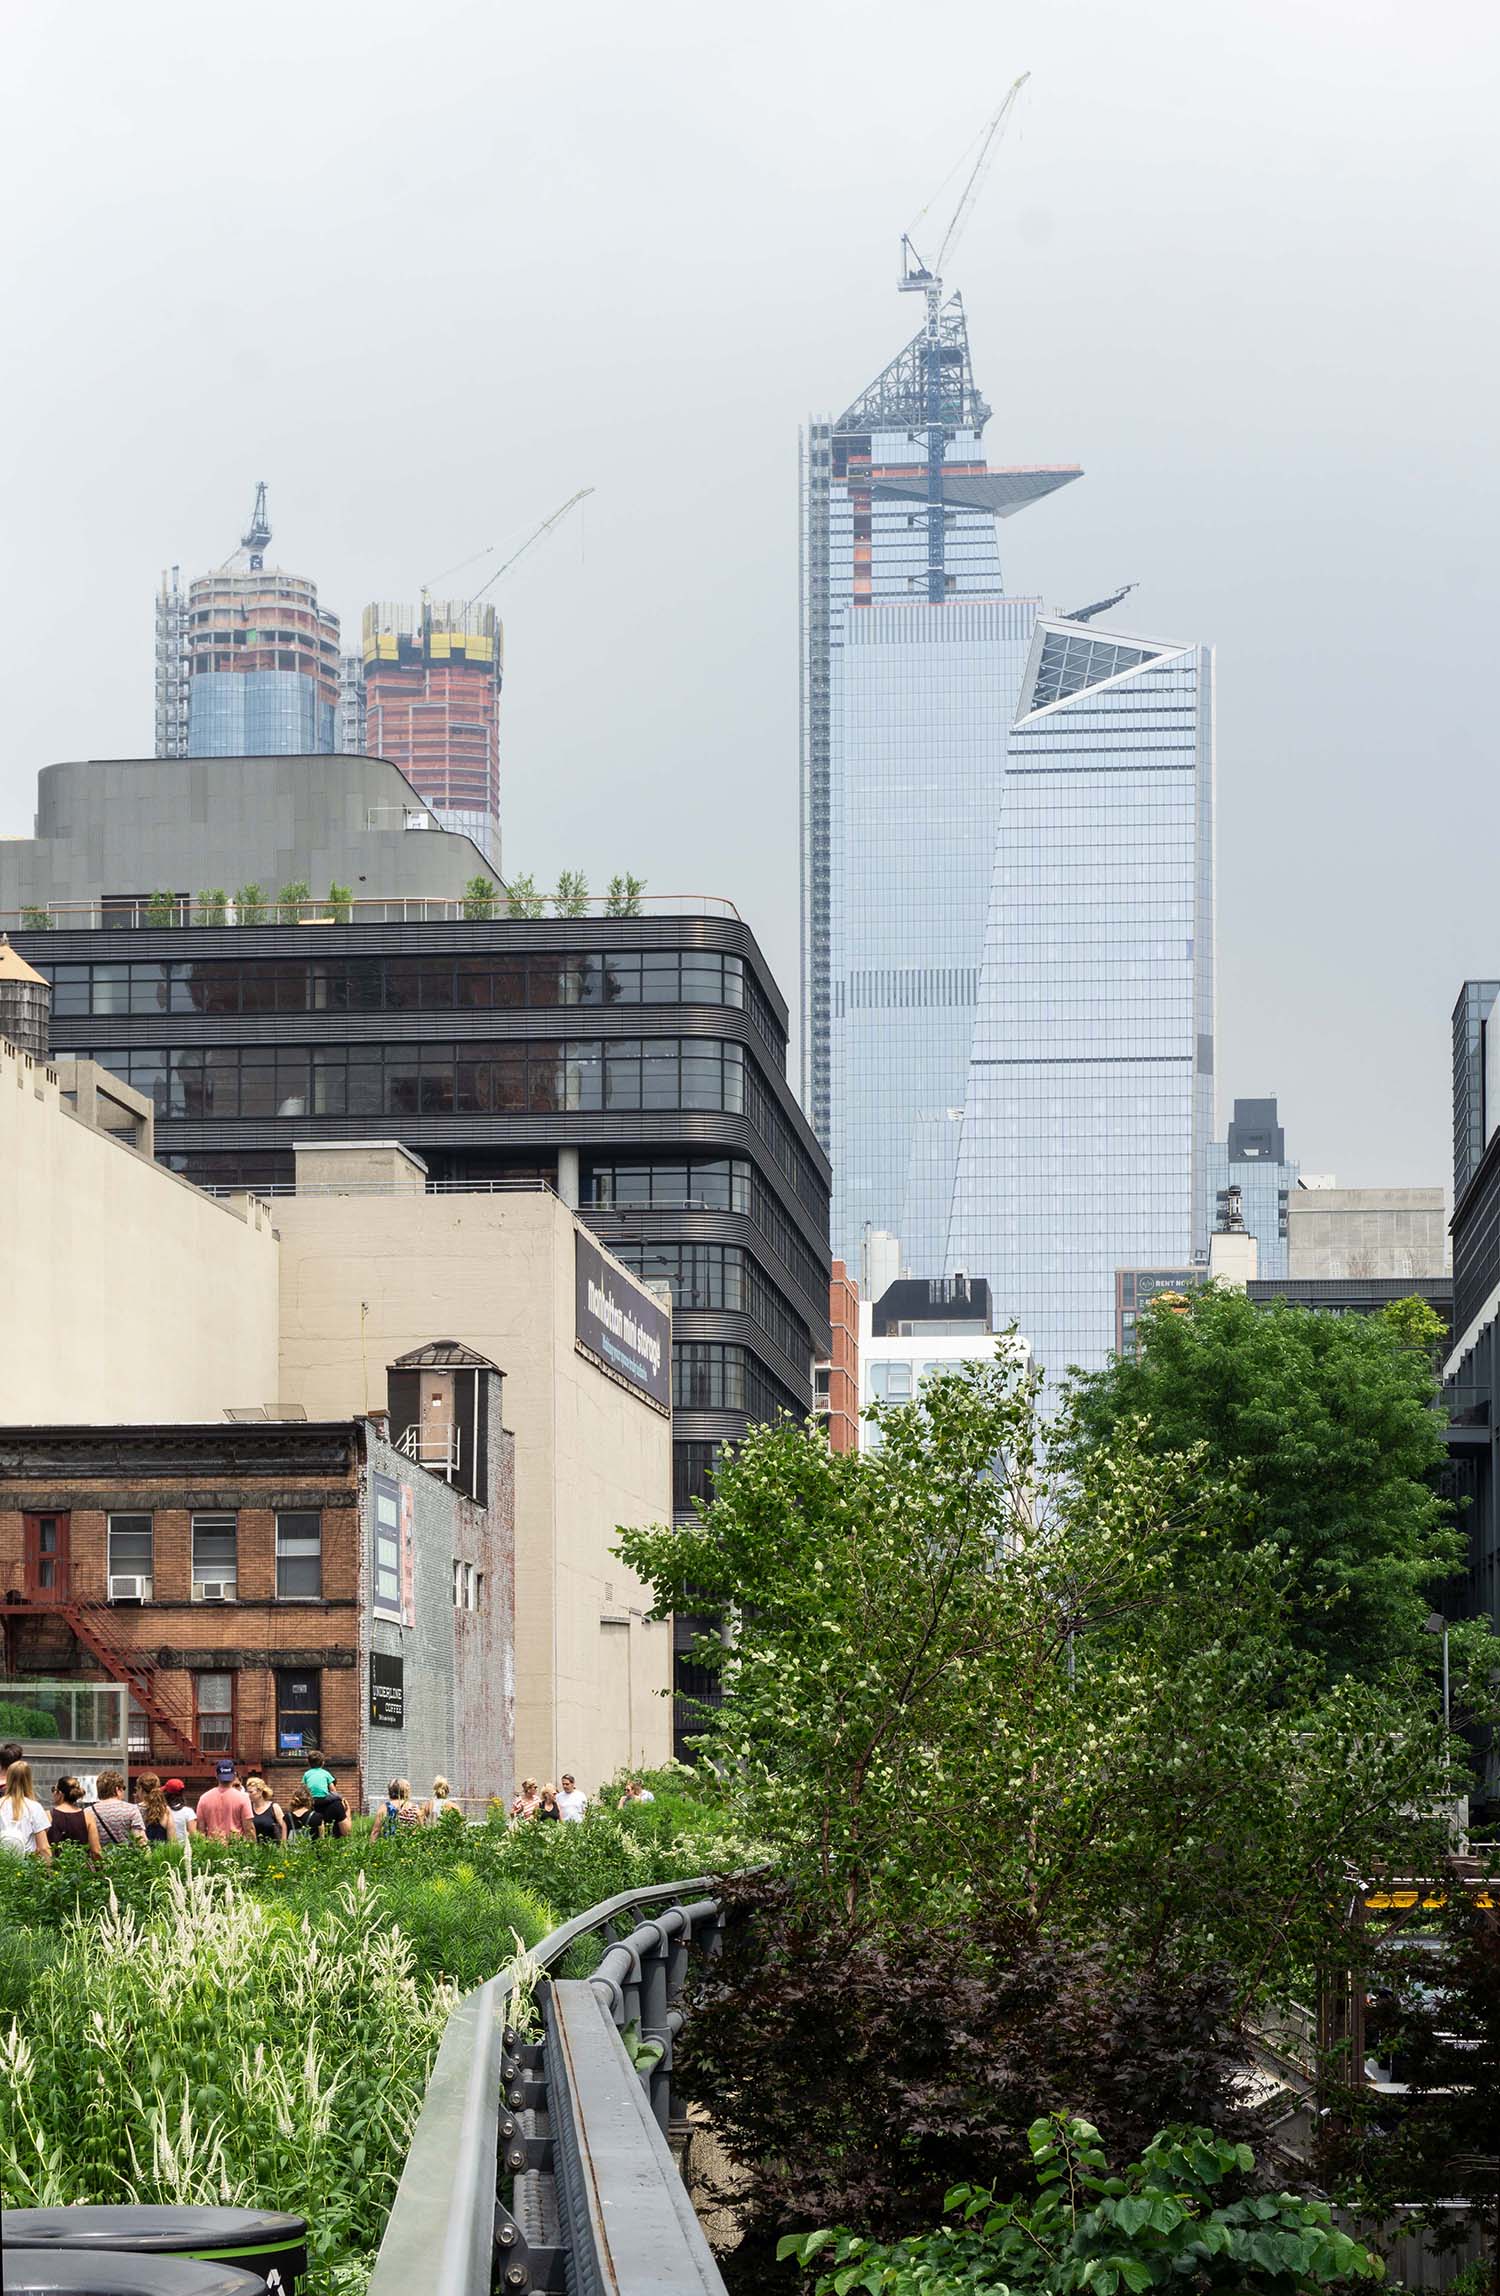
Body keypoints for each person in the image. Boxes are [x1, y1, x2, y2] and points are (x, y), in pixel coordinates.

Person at [193, 1760, 256, 1841]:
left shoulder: (204, 1798)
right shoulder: (243, 1798)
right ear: (234, 1776)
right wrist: (252, 1846)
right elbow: (249, 1828)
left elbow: (200, 1830)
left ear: (216, 1775)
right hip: (235, 1846)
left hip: (213, 1846)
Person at [0, 1760, 52, 1860]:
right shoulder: (34, 1807)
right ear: (28, 1780)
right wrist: (50, 1867)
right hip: (26, 1864)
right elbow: (43, 1848)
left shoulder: (1, 1804)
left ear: (9, 1778)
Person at [300, 1750, 351, 1840]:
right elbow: (332, 1789)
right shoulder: (326, 1773)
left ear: (309, 1763)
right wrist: (340, 1799)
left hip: (312, 1800)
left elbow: (303, 1788)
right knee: (337, 1796)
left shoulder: (306, 1774)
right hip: (325, 1798)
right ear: (323, 1763)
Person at [91, 1769, 147, 1851]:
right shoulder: (131, 1809)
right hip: (126, 1858)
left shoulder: (88, 1812)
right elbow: (141, 1842)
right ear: (117, 1789)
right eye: (123, 1788)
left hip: (99, 1858)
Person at [49, 1776, 101, 1863]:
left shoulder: (49, 1816)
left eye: (54, 1789)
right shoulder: (87, 1817)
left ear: (60, 1793)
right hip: (81, 1867)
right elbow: (96, 1851)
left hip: (57, 1868)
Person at [245, 1775, 287, 1845]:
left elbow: (284, 1826)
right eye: (247, 1792)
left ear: (260, 1791)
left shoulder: (274, 1807)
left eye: (251, 1792)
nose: (248, 1795)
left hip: (273, 1847)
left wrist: (283, 1844)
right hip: (255, 1849)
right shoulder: (248, 1808)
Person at [139, 1778, 173, 1846]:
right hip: (162, 1851)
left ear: (141, 1791)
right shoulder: (165, 1810)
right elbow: (172, 1839)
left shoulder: (136, 1809)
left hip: (141, 1852)